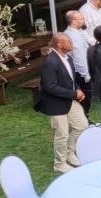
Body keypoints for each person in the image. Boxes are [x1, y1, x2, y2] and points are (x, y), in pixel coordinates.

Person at [35, 33, 87, 172]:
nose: (71, 43)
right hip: (55, 104)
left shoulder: (67, 58)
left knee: (82, 125)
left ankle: (69, 153)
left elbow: (70, 79)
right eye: (68, 42)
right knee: (62, 134)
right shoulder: (50, 62)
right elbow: (49, 86)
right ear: (59, 45)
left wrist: (77, 90)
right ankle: (59, 164)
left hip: (70, 99)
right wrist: (73, 93)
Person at [63, 10, 94, 117]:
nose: (83, 20)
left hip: (78, 71)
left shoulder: (77, 31)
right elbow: (79, 58)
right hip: (79, 73)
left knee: (84, 97)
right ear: (73, 21)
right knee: (85, 96)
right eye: (81, 19)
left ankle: (84, 119)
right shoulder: (74, 37)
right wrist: (86, 76)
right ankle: (83, 120)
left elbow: (90, 41)